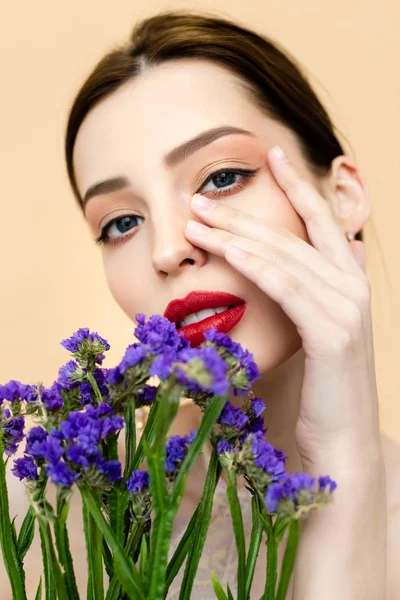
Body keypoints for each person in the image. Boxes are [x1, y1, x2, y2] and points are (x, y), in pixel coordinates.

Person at [59, 8, 398, 598]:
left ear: (341, 198)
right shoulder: (63, 518)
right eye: (121, 222)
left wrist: (345, 460)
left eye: (220, 178)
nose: (167, 249)